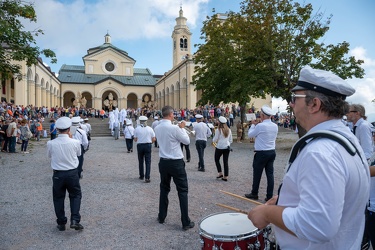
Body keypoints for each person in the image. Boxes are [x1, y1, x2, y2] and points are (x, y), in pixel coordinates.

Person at [248, 66, 370, 249]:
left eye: (294, 98)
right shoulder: (346, 137)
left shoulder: (321, 153)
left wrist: (268, 213)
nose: (291, 104)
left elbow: (318, 226)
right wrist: (284, 201)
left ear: (314, 104)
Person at [154, 105, 195, 231]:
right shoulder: (174, 128)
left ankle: (161, 216)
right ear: (171, 114)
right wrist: (182, 128)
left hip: (163, 161)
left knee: (164, 189)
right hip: (176, 162)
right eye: (174, 114)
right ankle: (185, 221)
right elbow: (187, 141)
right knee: (182, 191)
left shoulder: (157, 127)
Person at [47, 117, 84, 231]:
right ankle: (74, 220)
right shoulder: (75, 142)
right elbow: (78, 154)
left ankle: (61, 222)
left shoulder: (51, 143)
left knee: (58, 197)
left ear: (57, 129)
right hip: (72, 173)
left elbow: (49, 156)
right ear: (69, 129)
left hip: (58, 174)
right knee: (75, 195)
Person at [245, 105, 278, 202]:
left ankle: (254, 193)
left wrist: (252, 125)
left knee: (257, 173)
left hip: (261, 152)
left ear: (263, 115)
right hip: (271, 151)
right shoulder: (275, 126)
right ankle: (269, 196)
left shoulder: (260, 125)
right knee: (270, 174)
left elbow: (250, 134)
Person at [133, 116, 156, 183]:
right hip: (148, 145)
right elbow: (154, 139)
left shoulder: (137, 129)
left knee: (140, 161)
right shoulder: (150, 129)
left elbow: (135, 139)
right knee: (148, 161)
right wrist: (150, 142)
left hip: (140, 145)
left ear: (140, 121)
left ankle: (141, 175)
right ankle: (147, 176)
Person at [212, 116, 232, 181]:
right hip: (227, 147)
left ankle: (220, 173)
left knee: (216, 159)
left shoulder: (218, 130)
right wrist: (227, 143)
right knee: (225, 162)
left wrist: (213, 140)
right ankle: (226, 176)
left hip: (219, 147)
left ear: (220, 123)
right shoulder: (229, 130)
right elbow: (231, 140)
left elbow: (215, 139)